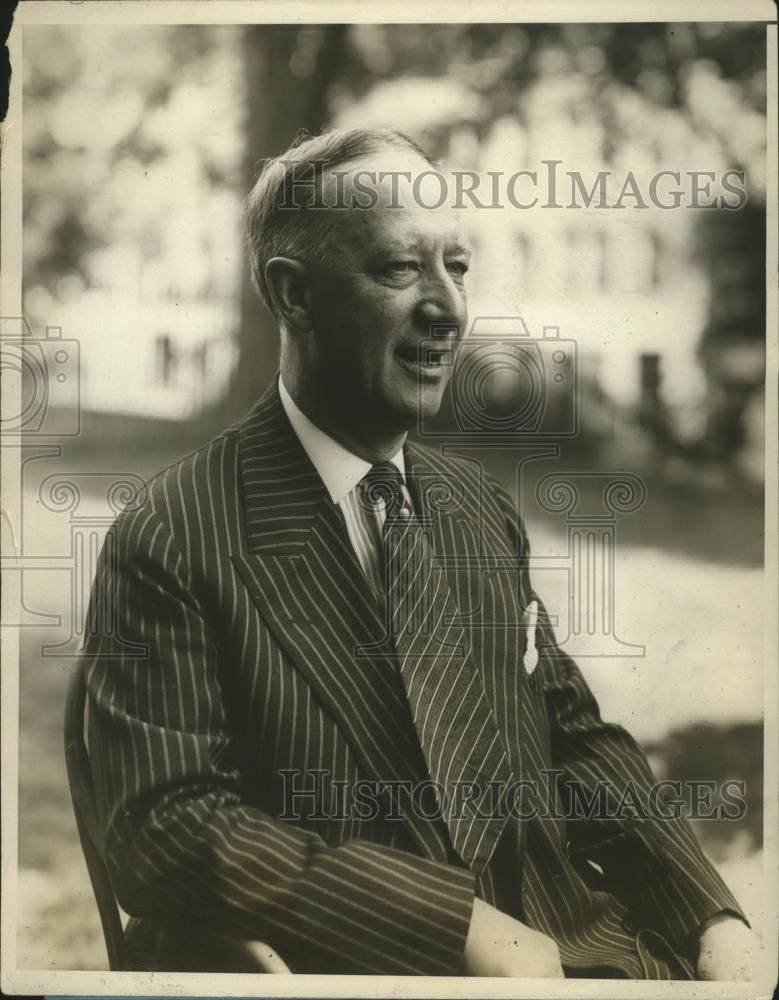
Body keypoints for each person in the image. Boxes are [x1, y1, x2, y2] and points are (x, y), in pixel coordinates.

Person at [81, 128, 756, 979]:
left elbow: (572, 740)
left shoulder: (476, 507)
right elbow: (164, 826)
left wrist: (708, 914)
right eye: (401, 270)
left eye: (458, 266)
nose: (449, 308)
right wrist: (452, 927)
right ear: (292, 295)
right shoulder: (174, 534)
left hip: (595, 957)